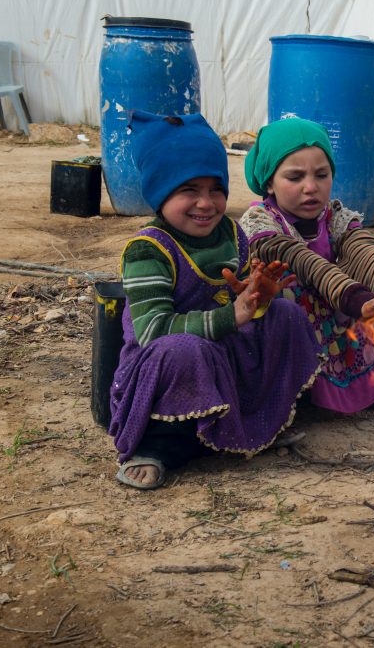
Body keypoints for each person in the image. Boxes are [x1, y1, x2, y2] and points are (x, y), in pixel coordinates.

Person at [109, 111, 321, 490]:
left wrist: (261, 298)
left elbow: (243, 304)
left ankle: (259, 423)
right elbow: (153, 332)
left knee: (286, 314)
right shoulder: (147, 250)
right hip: (165, 364)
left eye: (215, 189)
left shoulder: (230, 233)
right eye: (188, 190)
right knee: (185, 351)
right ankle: (159, 448)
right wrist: (234, 315)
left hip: (223, 352)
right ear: (160, 193)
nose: (205, 203)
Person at [239, 117, 374, 414]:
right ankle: (303, 391)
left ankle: (360, 385)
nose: (311, 187)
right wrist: (354, 298)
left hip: (335, 297)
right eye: (295, 177)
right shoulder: (260, 224)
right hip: (280, 320)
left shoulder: (333, 216)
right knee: (295, 287)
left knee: (368, 286)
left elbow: (362, 248)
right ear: (269, 184)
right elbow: (304, 262)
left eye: (322, 175)